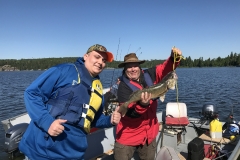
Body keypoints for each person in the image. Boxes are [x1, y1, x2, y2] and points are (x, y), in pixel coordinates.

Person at [19, 44, 121, 160]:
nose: (100, 62)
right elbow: (32, 93)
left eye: (104, 60)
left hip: (74, 154)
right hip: (42, 151)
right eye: (97, 57)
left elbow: (94, 120)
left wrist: (110, 120)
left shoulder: (98, 90)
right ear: (86, 56)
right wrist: (47, 123)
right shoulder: (64, 71)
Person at [114, 47, 182, 160]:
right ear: (125, 69)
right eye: (129, 67)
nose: (133, 69)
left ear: (139, 66)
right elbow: (130, 114)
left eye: (135, 65)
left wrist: (174, 58)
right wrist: (142, 105)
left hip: (149, 134)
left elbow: (164, 69)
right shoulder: (122, 87)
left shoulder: (148, 74)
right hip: (128, 135)